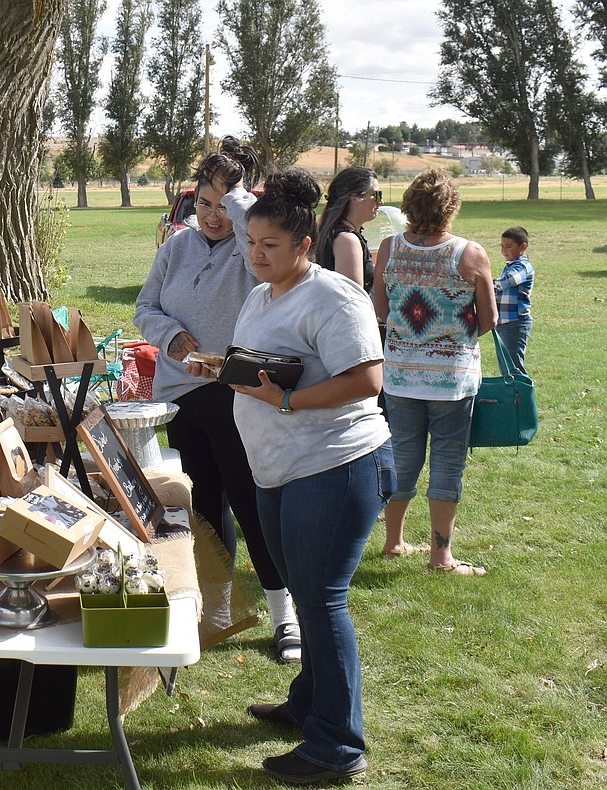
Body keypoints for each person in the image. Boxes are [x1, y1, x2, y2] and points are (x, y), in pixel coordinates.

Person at [223, 168, 393, 785]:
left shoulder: (333, 297)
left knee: (321, 601)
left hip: (337, 465)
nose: (256, 254)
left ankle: (336, 747)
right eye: (251, 242)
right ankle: (307, 704)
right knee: (302, 586)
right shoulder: (259, 293)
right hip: (281, 469)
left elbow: (367, 380)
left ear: (303, 245)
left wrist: (287, 403)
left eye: (270, 245)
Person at [135, 136, 301, 663]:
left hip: (236, 394)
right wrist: (170, 335)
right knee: (203, 507)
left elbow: (261, 273)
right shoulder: (176, 246)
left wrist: (239, 205)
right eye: (204, 202)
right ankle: (218, 610)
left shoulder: (251, 252)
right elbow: (146, 306)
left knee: (252, 505)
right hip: (184, 395)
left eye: (223, 204)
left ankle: (285, 616)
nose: (212, 215)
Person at [373, 170, 496, 573]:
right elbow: (490, 318)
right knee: (447, 461)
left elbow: (381, 310)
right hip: (452, 380)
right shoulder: (470, 253)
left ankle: (394, 542)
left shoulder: (389, 249)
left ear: (408, 204)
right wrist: (453, 335)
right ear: (451, 207)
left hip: (400, 375)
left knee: (403, 458)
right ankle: (441, 557)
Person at [314, 165, 382, 291]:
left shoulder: (336, 233)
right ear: (355, 198)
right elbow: (351, 300)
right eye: (377, 195)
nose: (380, 202)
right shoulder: (347, 240)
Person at [494, 226, 534, 374]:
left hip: (515, 322)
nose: (504, 250)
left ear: (523, 246)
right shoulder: (510, 266)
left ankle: (522, 395)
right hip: (504, 322)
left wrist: (486, 283)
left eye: (509, 246)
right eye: (502, 246)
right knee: (506, 365)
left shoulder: (523, 266)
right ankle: (512, 396)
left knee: (514, 366)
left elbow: (507, 282)